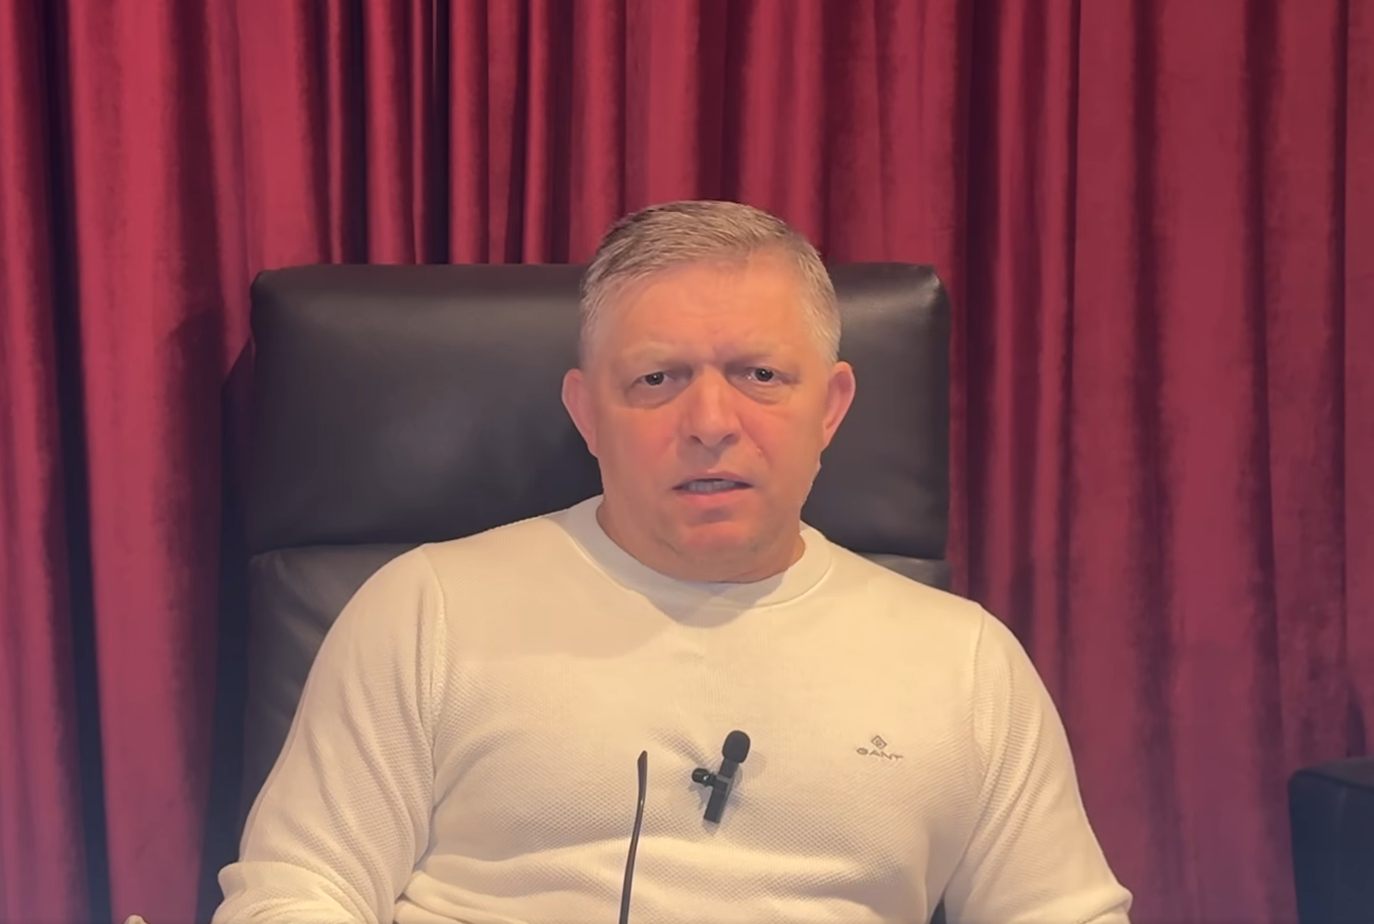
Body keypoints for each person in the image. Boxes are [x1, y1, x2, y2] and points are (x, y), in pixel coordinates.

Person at [212, 200, 1132, 924]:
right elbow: (296, 893)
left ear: (831, 407)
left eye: (761, 375)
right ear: (587, 413)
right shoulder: (428, 610)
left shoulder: (964, 664)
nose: (711, 423)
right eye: (657, 379)